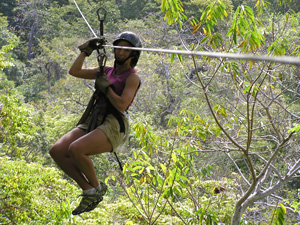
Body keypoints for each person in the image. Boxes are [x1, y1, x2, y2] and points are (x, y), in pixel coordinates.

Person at [49, 31, 142, 215]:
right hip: (95, 117)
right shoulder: (106, 70)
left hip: (114, 123)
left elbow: (122, 105)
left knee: (76, 149)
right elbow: (74, 71)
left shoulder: (132, 77)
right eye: (118, 48)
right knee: (57, 151)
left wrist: (106, 87)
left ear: (133, 54)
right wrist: (86, 51)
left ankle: (97, 188)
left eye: (125, 49)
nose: (120, 52)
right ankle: (89, 190)